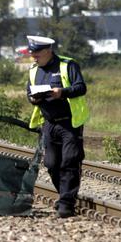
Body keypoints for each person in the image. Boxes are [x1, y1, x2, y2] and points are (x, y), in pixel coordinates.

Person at [26, 35, 89, 218]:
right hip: (49, 123)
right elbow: (28, 93)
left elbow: (81, 87)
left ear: (48, 50)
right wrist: (32, 99)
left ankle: (66, 203)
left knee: (69, 161)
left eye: (37, 52)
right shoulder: (33, 70)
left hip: (70, 122)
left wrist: (62, 93)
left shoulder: (68, 65)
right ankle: (64, 195)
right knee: (52, 164)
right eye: (32, 53)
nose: (33, 56)